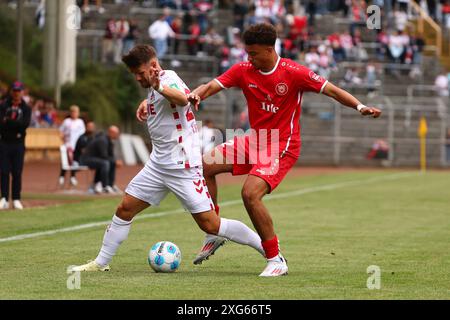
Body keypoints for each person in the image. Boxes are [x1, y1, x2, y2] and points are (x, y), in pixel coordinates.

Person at [182, 23, 381, 277]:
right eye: (247, 53)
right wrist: (196, 95)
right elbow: (211, 86)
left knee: (250, 194)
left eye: (253, 53)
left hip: (281, 144)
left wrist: (360, 106)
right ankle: (214, 231)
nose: (248, 58)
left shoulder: (293, 72)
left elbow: (331, 90)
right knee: (205, 165)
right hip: (254, 139)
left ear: (269, 49)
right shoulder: (244, 70)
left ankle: (276, 258)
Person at [70, 45, 265, 272]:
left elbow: (182, 99)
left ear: (153, 66)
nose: (136, 78)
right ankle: (100, 263)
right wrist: (148, 102)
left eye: (140, 73)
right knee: (125, 208)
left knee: (212, 225)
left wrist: (157, 87)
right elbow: (166, 102)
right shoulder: (155, 86)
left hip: (182, 167)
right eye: (134, 74)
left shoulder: (166, 78)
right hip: (158, 165)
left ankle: (268, 249)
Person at [0, 82, 31, 210]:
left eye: (19, 91)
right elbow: (1, 124)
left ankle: (16, 198)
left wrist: (9, 121)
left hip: (18, 143)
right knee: (3, 171)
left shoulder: (26, 108)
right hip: (4, 142)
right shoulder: (3, 106)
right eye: (14, 90)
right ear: (11, 91)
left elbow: (24, 125)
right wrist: (15, 124)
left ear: (22, 92)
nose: (17, 93)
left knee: (17, 172)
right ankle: (4, 198)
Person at [80, 126, 122, 194]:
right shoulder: (103, 140)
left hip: (97, 159)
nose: (118, 135)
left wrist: (115, 161)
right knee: (105, 163)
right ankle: (104, 186)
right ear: (111, 132)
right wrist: (115, 161)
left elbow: (110, 156)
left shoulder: (109, 141)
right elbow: (104, 156)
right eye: (116, 133)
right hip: (86, 160)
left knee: (111, 162)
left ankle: (110, 185)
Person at [58, 105, 86, 187]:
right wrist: (63, 139)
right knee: (66, 161)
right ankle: (62, 176)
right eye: (73, 112)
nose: (74, 113)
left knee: (74, 161)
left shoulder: (80, 122)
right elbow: (61, 132)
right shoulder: (67, 121)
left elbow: (83, 134)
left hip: (76, 146)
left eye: (76, 112)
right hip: (68, 145)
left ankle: (73, 177)